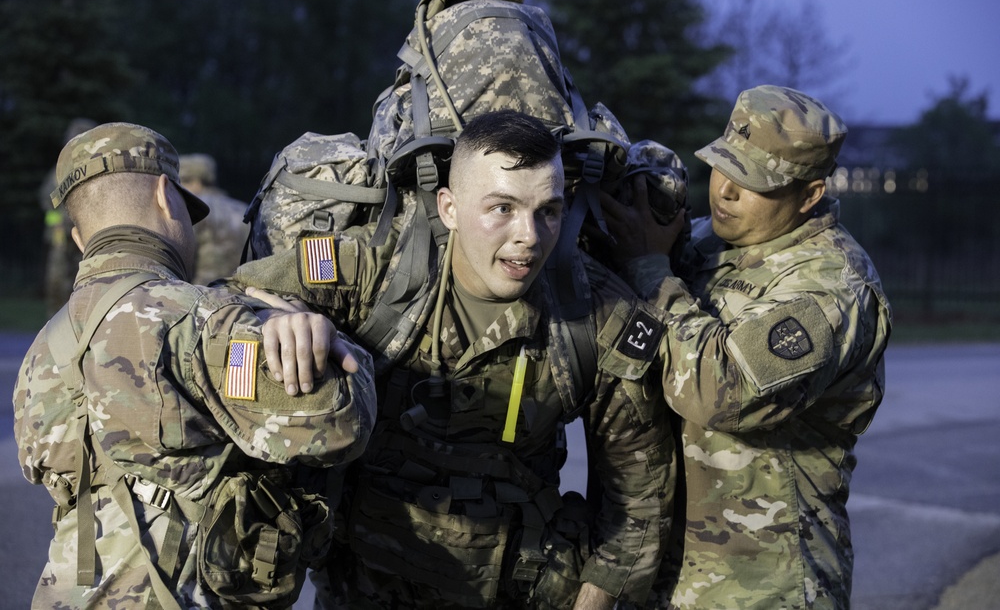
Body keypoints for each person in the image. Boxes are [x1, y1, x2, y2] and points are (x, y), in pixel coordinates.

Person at [232, 109, 675, 609]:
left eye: (547, 211)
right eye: (502, 208)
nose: (529, 235)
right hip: (363, 584)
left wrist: (596, 598)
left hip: (512, 589)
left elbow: (639, 490)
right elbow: (233, 295)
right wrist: (279, 316)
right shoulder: (377, 269)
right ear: (449, 207)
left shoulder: (596, 311)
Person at [13, 122, 378, 609]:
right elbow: (341, 422)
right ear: (167, 198)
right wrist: (321, 332)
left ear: (79, 238)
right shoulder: (199, 320)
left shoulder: (43, 345)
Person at [601, 85, 892, 609]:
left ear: (810, 195)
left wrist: (650, 269)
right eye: (722, 166)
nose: (726, 191)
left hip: (766, 586)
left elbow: (722, 392)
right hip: (667, 578)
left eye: (754, 181)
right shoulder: (708, 243)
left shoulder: (831, 287)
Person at [39, 117, 97, 315]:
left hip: (88, 235)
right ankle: (55, 323)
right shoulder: (59, 171)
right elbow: (48, 202)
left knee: (87, 280)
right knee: (57, 282)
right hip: (62, 237)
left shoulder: (96, 169)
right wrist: (56, 228)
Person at [178, 152, 250, 284]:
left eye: (181, 181)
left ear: (196, 183)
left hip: (203, 295)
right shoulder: (244, 209)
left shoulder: (192, 210)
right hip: (246, 294)